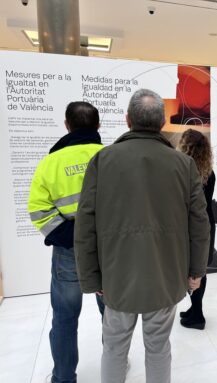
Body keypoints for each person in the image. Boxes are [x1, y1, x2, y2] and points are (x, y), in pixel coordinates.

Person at [74, 89, 210, 383]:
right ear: (162, 122)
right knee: (159, 348)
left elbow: (85, 224)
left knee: (113, 349)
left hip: (116, 278)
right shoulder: (184, 165)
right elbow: (200, 223)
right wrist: (197, 271)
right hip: (165, 275)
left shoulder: (102, 161)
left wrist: (91, 277)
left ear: (127, 120)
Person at [28, 101, 105, 383]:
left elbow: (38, 209)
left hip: (68, 252)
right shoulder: (110, 156)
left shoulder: (51, 162)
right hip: (107, 251)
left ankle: (62, 377)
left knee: (64, 318)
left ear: (67, 125)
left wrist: (72, 237)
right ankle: (114, 366)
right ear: (98, 126)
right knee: (112, 315)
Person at [177, 129, 215, 330]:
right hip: (206, 225)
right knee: (200, 270)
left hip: (190, 227)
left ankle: (198, 314)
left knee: (194, 271)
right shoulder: (209, 173)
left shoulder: (183, 172)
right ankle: (195, 309)